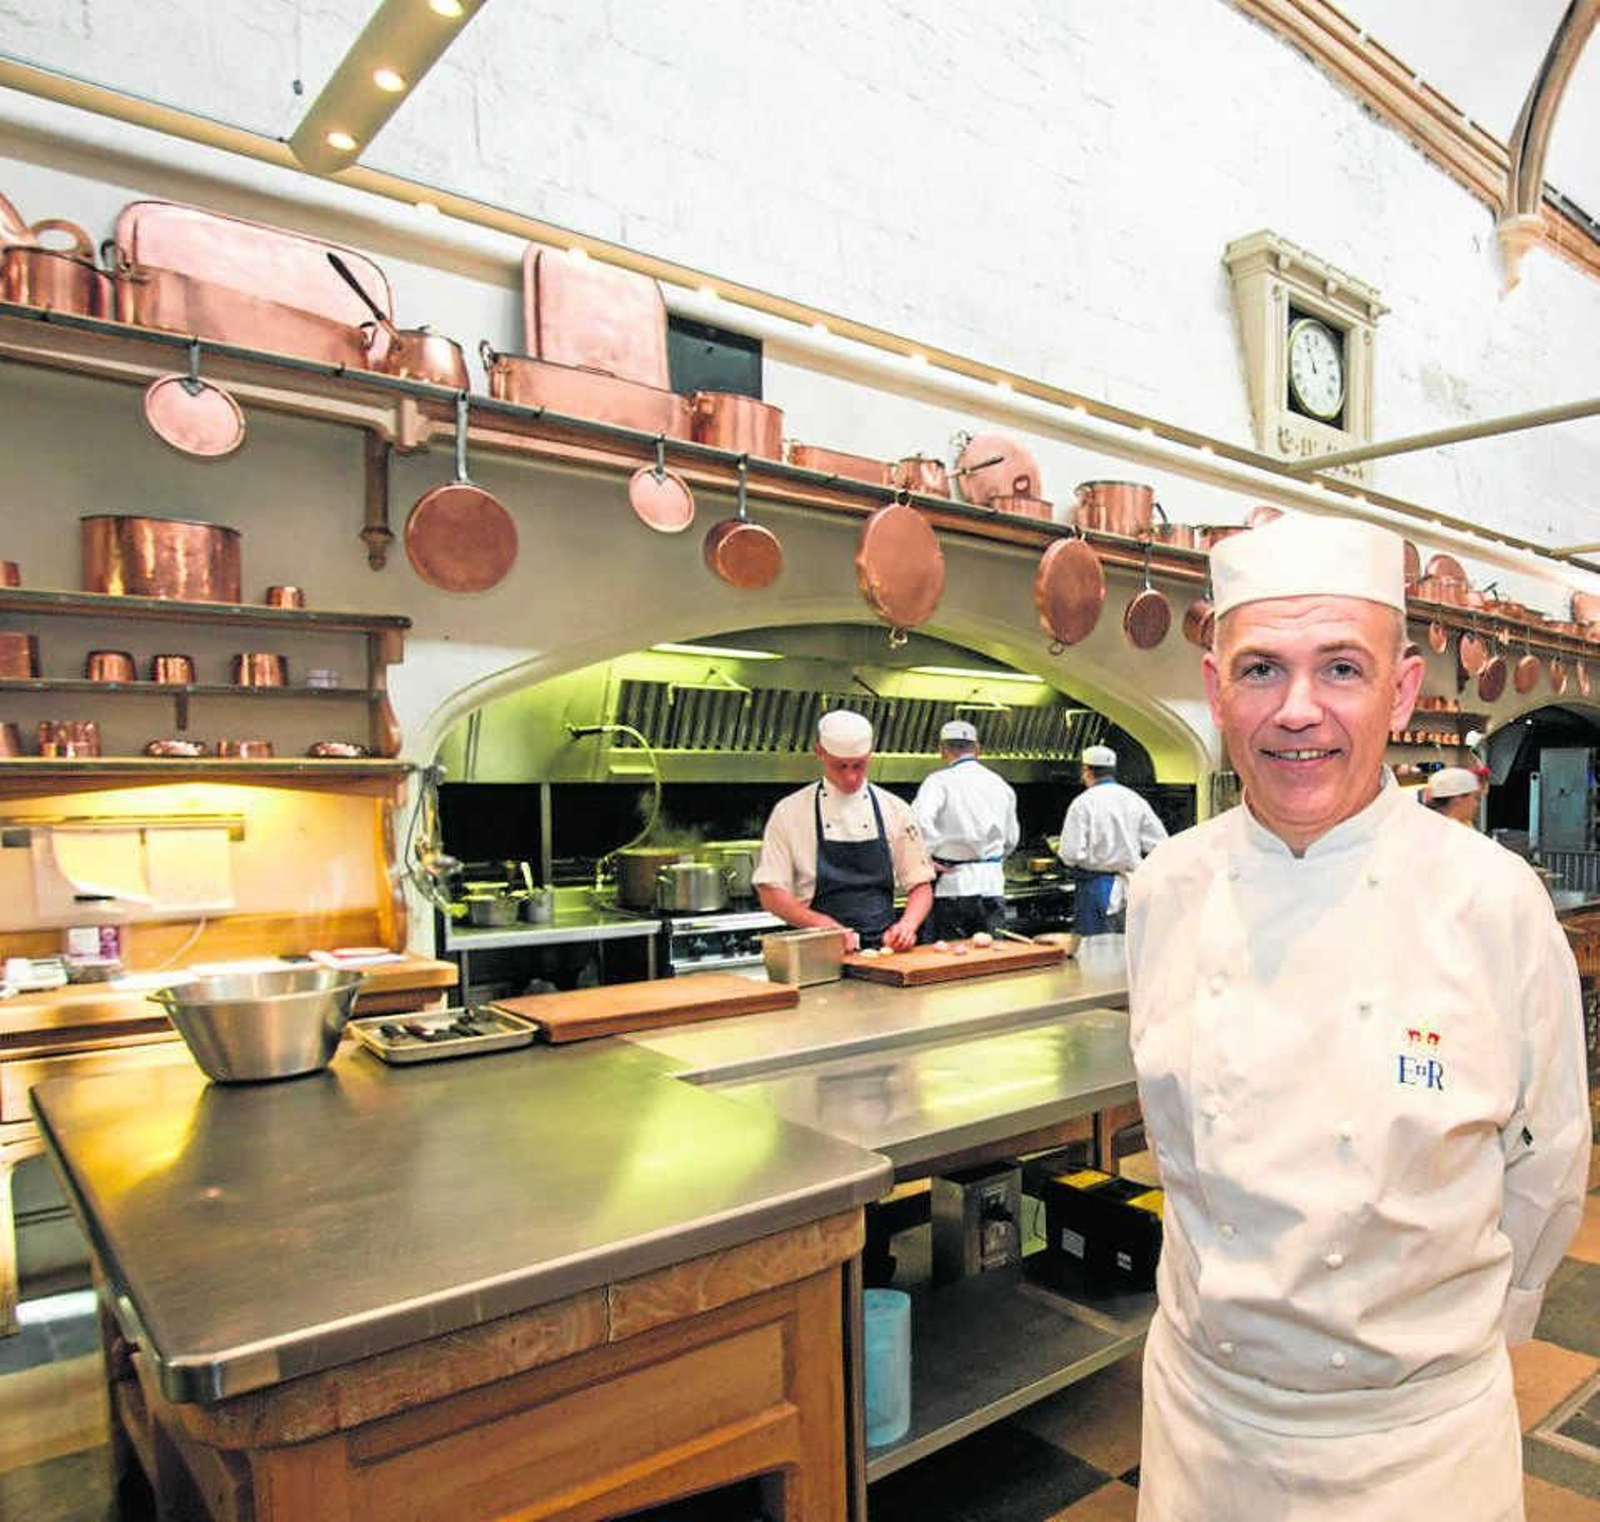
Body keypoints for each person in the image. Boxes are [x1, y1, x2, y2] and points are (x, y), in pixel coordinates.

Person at [1126, 513, 1589, 1522]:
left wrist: (1474, 1333)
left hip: (1419, 1443)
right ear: (1215, 693)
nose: (1298, 710)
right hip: (1210, 1424)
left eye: (1340, 667)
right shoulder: (1164, 889)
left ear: (1402, 690)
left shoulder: (1492, 900)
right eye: (1259, 671)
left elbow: (1547, 1156)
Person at [754, 708, 934, 951]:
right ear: (820, 752)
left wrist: (907, 926)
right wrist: (821, 924)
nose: (850, 777)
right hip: (815, 954)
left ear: (870, 754)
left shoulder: (896, 809)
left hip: (884, 952)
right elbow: (770, 893)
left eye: (858, 765)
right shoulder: (790, 812)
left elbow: (920, 885)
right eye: (840, 766)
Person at [912, 719, 1020, 940]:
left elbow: (918, 823)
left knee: (950, 963)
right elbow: (1011, 839)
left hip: (954, 888)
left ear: (942, 751)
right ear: (977, 749)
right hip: (992, 886)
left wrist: (925, 859)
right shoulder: (1000, 784)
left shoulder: (938, 782)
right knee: (991, 960)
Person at [1056, 743, 1167, 935]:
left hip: (1095, 890)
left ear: (1086, 771)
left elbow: (1070, 853)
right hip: (1132, 889)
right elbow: (1161, 844)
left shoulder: (1083, 803)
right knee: (1129, 953)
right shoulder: (1134, 799)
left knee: (1096, 952)